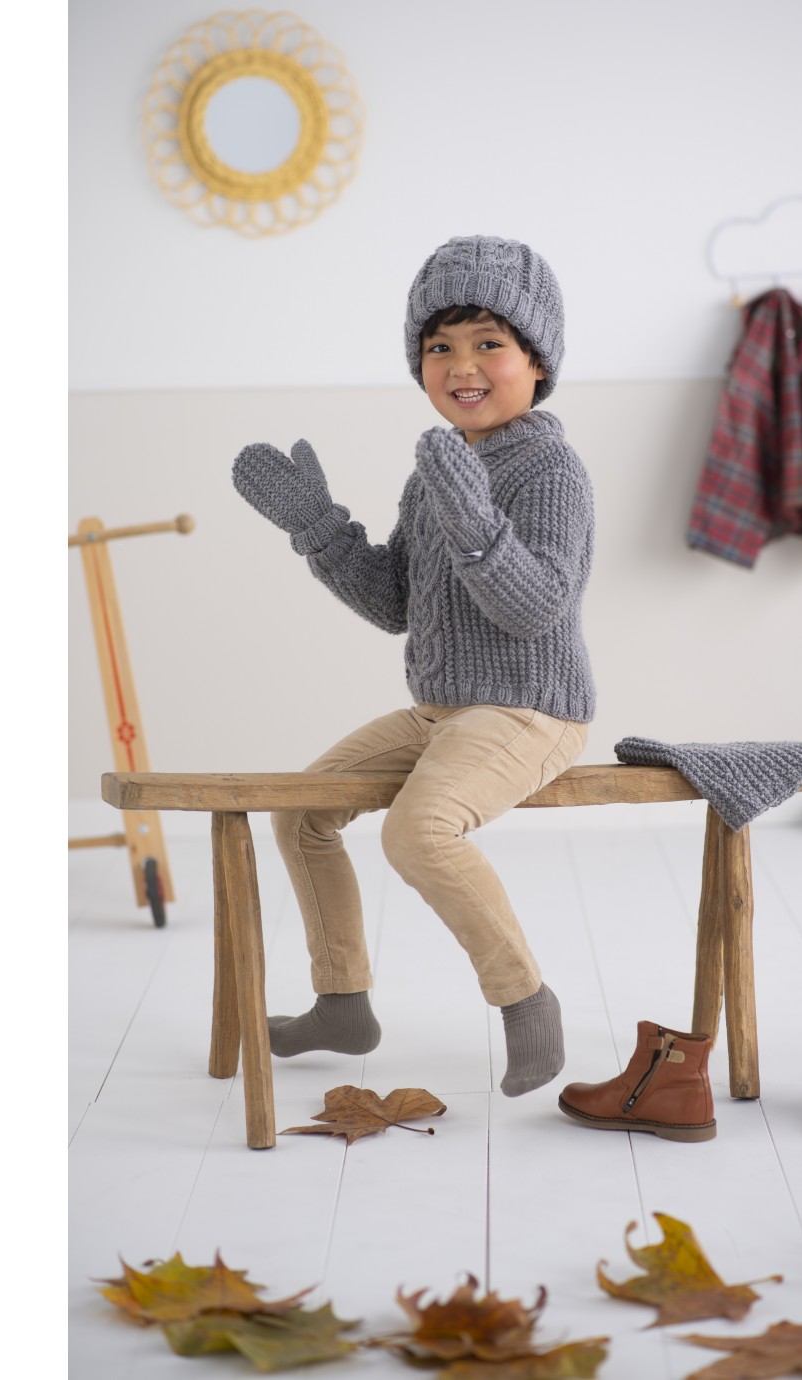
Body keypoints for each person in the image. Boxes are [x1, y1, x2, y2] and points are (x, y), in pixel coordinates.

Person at [231, 235, 595, 1096]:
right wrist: (320, 528)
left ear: (538, 363)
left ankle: (526, 999)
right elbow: (395, 600)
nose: (461, 365)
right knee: (300, 813)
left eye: (488, 343)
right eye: (439, 347)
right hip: (440, 709)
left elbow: (535, 605)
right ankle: (343, 1001)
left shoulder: (550, 470)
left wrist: (474, 519)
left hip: (528, 711)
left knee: (416, 831)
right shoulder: (439, 463)